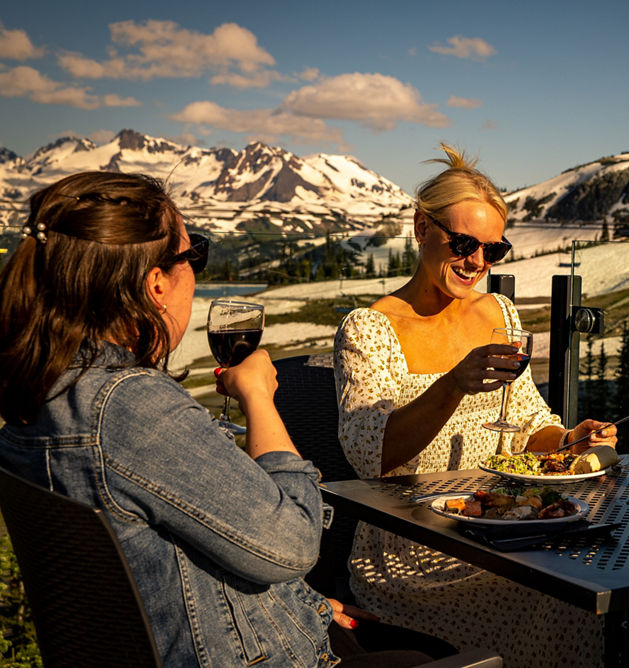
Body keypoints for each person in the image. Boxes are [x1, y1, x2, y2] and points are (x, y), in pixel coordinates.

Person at [0, 172, 450, 667]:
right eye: (195, 255)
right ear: (156, 284)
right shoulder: (133, 407)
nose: (197, 275)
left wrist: (300, 604)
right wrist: (259, 397)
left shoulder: (41, 393)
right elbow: (296, 542)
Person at [334, 144, 617, 667]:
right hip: (414, 558)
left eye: (494, 250)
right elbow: (369, 456)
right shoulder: (369, 329)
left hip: (501, 533)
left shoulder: (499, 313)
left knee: (585, 583)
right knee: (565, 593)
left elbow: (530, 423)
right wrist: (451, 385)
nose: (478, 263)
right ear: (422, 229)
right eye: (464, 242)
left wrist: (573, 440)